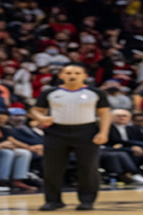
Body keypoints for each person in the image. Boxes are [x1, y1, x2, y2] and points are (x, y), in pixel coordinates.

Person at [30, 63, 111, 211]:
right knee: (52, 168)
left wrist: (103, 132)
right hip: (56, 133)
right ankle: (53, 200)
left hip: (87, 132)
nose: (72, 76)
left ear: (85, 76)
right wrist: (41, 118)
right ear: (61, 76)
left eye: (77, 73)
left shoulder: (96, 93)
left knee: (88, 168)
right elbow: (35, 110)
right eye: (68, 73)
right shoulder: (49, 92)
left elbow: (104, 113)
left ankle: (87, 201)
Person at [0, 108, 37, 191]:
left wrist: (30, 148)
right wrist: (0, 145)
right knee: (6, 152)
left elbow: (12, 141)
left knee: (23, 153)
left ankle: (17, 179)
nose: (2, 121)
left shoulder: (3, 129)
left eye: (4, 120)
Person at [107, 109, 143, 182]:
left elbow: (142, 139)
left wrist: (140, 145)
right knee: (129, 151)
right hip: (112, 147)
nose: (122, 118)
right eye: (119, 116)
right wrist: (136, 145)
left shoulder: (133, 128)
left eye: (125, 116)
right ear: (111, 117)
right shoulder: (109, 128)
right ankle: (135, 174)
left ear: (129, 118)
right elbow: (115, 140)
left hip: (130, 146)